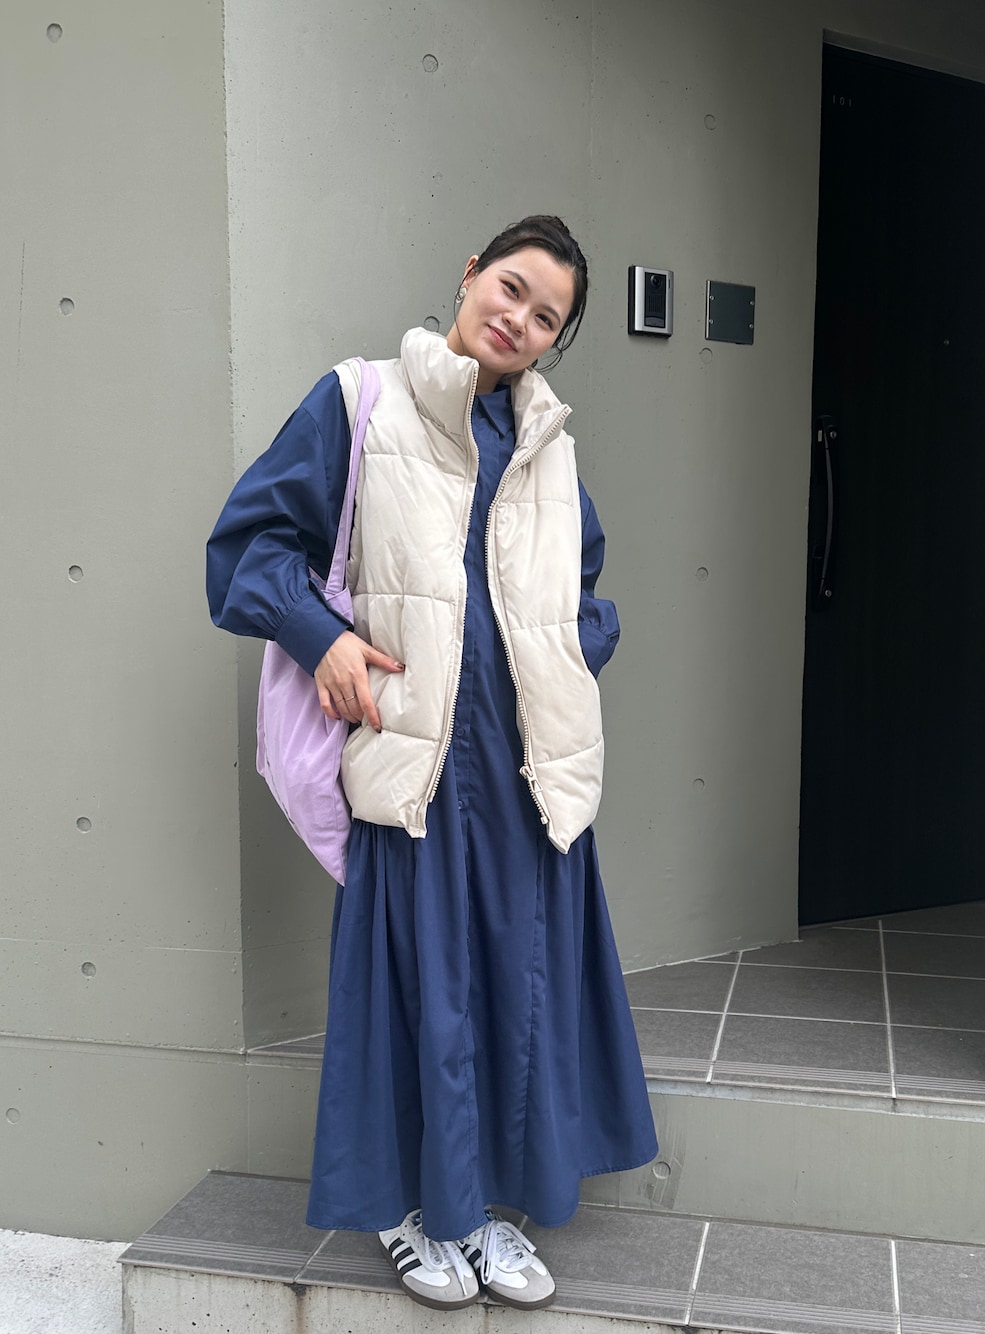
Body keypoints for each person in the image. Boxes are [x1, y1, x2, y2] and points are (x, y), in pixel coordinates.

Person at [206, 215, 658, 1312]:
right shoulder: (361, 401)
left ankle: (486, 1210)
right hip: (417, 767)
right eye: (510, 288)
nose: (518, 319)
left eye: (546, 316)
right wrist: (322, 640)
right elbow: (248, 546)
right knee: (421, 995)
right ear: (469, 274)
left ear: (554, 340)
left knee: (515, 994)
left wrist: (571, 653)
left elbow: (579, 585)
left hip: (528, 771)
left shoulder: (547, 440)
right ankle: (410, 1214)